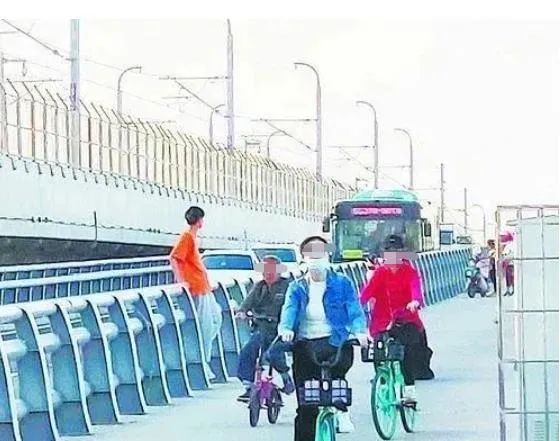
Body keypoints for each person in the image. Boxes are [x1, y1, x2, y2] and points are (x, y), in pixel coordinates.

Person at [278, 236, 368, 440]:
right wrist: (286, 329)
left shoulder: (342, 283)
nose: (316, 259)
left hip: (336, 342)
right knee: (306, 406)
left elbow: (354, 310)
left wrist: (360, 332)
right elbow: (289, 311)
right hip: (306, 345)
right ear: (304, 259)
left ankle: (341, 409)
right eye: (311, 254)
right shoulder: (297, 287)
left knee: (337, 374)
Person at [360, 234, 425, 402]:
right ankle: (382, 381)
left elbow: (416, 289)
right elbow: (366, 293)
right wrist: (356, 306)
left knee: (407, 351)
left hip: (405, 319)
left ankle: (409, 389)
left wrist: (415, 302)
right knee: (378, 352)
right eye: (389, 252)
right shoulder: (380, 273)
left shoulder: (409, 272)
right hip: (381, 321)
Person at [169, 206, 222, 381]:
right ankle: (202, 364)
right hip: (197, 288)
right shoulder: (187, 237)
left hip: (204, 287)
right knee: (204, 328)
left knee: (216, 318)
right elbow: (174, 258)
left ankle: (202, 360)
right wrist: (181, 281)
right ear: (199, 221)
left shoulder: (192, 238)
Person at [235, 255, 295, 402]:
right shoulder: (259, 287)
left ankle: (285, 377)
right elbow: (247, 303)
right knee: (249, 350)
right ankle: (249, 385)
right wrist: (242, 312)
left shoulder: (289, 286)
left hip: (281, 328)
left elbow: (294, 306)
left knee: (273, 352)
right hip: (261, 327)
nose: (268, 272)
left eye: (272, 269)